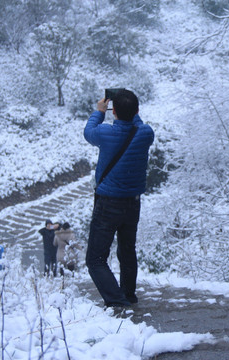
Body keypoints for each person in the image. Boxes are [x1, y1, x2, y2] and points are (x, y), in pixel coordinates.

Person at [84, 89, 154, 310]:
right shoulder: (146, 133)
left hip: (108, 204)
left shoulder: (105, 133)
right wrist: (128, 108)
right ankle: (128, 295)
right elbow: (136, 122)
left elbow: (89, 132)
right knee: (127, 250)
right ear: (137, 111)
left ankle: (117, 301)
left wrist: (99, 111)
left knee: (95, 259)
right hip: (132, 203)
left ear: (113, 112)